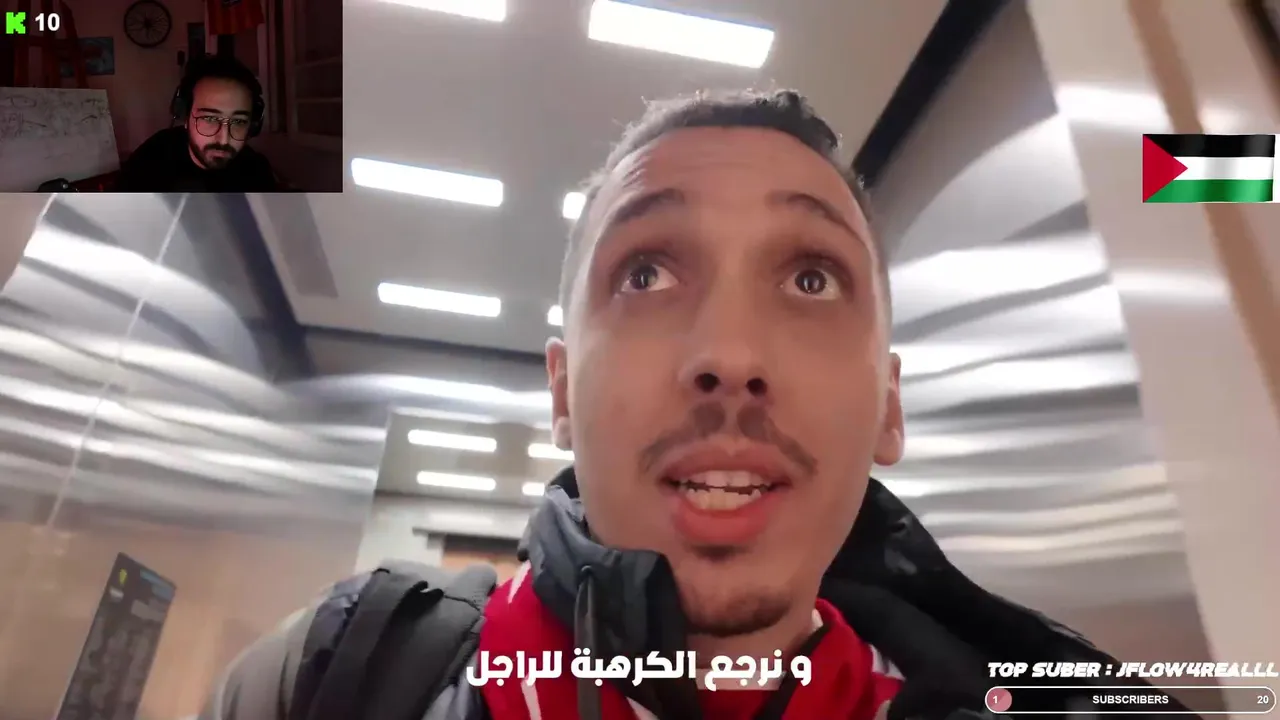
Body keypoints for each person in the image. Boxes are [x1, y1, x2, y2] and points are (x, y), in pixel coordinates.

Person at [199, 90, 1195, 720]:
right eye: (645, 275)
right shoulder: (330, 678)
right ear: (561, 390)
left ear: (888, 407)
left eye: (810, 279)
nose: (729, 357)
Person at [115, 54, 282, 192]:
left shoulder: (256, 171)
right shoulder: (148, 163)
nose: (224, 140)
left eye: (238, 121)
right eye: (210, 119)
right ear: (185, 116)